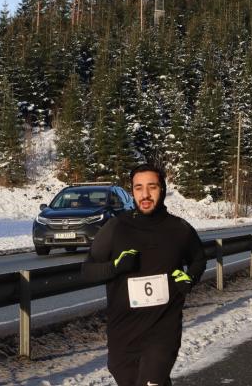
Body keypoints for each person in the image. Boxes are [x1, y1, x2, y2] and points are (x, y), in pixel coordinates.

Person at [81, 163, 207, 386]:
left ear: (162, 189)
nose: (145, 194)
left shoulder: (179, 229)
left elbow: (199, 259)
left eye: (152, 187)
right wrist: (115, 267)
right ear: (132, 191)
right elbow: (87, 271)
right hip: (123, 333)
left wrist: (190, 278)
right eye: (138, 188)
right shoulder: (116, 228)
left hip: (163, 331)